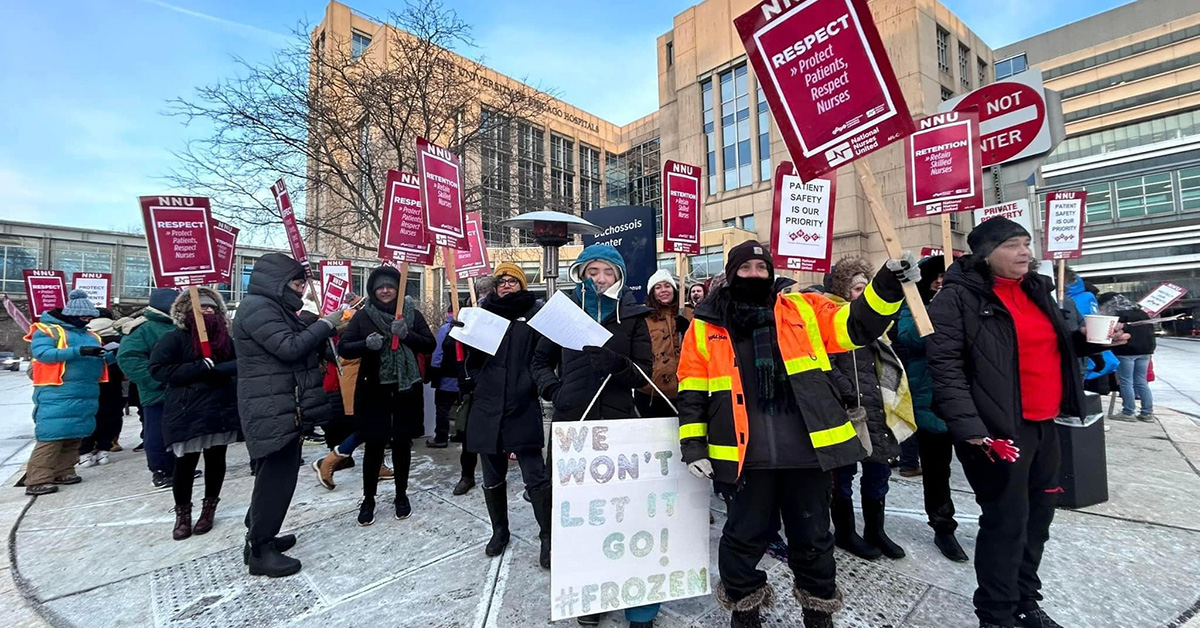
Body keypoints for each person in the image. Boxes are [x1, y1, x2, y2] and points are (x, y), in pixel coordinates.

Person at [678, 241, 915, 628]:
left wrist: (888, 283)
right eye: (745, 267)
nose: (754, 274)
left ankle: (818, 612)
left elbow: (857, 324)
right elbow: (691, 390)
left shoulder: (804, 308)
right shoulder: (706, 324)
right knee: (741, 540)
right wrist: (693, 445)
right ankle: (745, 609)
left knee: (814, 540)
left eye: (761, 266)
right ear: (732, 271)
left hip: (808, 452)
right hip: (745, 457)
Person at [927, 218, 1129, 628]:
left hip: (1045, 422)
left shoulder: (1038, 291)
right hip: (997, 432)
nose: (1025, 252)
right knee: (1006, 520)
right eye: (1013, 245)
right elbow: (945, 369)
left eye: (1026, 243)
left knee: (1040, 515)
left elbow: (1057, 345)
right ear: (985, 254)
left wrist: (1093, 341)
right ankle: (996, 614)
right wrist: (972, 430)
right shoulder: (955, 299)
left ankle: (1024, 600)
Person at [531, 244, 655, 628]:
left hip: (618, 427)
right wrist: (554, 390)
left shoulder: (632, 315)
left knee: (619, 513)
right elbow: (538, 362)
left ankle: (631, 589)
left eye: (608, 272)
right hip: (572, 426)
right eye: (593, 271)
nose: (600, 279)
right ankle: (592, 594)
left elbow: (646, 375)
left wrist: (621, 366)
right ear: (581, 274)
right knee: (580, 516)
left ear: (618, 276)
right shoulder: (564, 313)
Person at [233, 253, 346, 577]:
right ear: (278, 282)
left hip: (283, 404)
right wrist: (326, 323)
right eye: (297, 284)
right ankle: (260, 550)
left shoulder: (276, 309)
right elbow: (290, 348)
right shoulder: (258, 308)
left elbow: (303, 344)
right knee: (276, 481)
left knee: (277, 478)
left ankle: (259, 534)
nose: (301, 291)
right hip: (271, 407)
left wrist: (321, 330)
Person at [462, 263, 550, 567]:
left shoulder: (536, 315)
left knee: (535, 476)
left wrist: (530, 381)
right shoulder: (483, 316)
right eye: (502, 281)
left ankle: (547, 537)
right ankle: (499, 531)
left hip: (522, 402)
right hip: (488, 405)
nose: (507, 285)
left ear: (522, 285)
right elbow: (470, 360)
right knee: (492, 476)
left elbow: (545, 355)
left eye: (513, 280)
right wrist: (476, 375)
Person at [823, 257, 908, 562]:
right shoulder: (832, 319)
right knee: (843, 475)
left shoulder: (878, 325)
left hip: (877, 408)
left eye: (866, 288)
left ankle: (876, 530)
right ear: (844, 291)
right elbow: (827, 364)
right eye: (857, 288)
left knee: (878, 471)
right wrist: (847, 393)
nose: (862, 294)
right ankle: (845, 532)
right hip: (848, 410)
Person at [337, 265, 435, 526]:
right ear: (372, 289)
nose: (385, 290)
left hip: (405, 391)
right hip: (374, 390)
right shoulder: (363, 316)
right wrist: (365, 346)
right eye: (380, 286)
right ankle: (369, 498)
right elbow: (344, 348)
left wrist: (408, 335)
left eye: (390, 285)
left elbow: (430, 344)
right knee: (374, 446)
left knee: (402, 445)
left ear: (399, 289)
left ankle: (401, 495)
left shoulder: (411, 314)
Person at [893, 256, 969, 563]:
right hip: (929, 402)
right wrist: (935, 312)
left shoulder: (968, 303)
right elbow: (908, 338)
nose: (939, 280)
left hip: (968, 403)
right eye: (935, 276)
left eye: (944, 275)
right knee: (937, 471)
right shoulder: (912, 304)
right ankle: (943, 527)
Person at [150, 288, 240, 540]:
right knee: (185, 464)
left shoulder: (224, 339)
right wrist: (197, 368)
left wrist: (217, 370)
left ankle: (208, 510)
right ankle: (183, 515)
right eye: (203, 309)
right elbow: (158, 369)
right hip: (187, 410)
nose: (208, 312)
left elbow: (238, 363)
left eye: (212, 308)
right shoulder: (173, 338)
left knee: (215, 461)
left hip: (219, 409)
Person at [23, 290, 112, 496]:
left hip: (86, 390)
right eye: (84, 317)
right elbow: (43, 354)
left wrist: (109, 356)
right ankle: (37, 479)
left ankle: (64, 471)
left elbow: (97, 359)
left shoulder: (90, 335)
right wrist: (78, 351)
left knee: (75, 434)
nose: (88, 320)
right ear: (72, 314)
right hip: (57, 390)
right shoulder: (47, 331)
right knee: (52, 435)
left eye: (90, 317)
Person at [118, 288, 183, 489]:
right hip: (158, 392)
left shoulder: (180, 326)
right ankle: (161, 470)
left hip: (181, 390)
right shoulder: (143, 329)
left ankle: (178, 468)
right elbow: (128, 358)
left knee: (179, 433)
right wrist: (158, 380)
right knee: (157, 432)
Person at [635, 268, 688, 418]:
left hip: (683, 390)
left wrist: (688, 329)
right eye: (658, 287)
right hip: (651, 391)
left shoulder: (688, 313)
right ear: (652, 292)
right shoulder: (643, 318)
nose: (663, 290)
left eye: (667, 286)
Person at [78, 313, 125, 468]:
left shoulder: (83, 337)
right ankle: (105, 448)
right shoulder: (121, 338)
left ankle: (85, 451)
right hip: (114, 383)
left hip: (89, 383)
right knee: (111, 415)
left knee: (89, 416)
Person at [1100, 292, 1156, 422]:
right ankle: (1147, 413)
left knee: (1126, 382)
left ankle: (1128, 411)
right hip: (1145, 352)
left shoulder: (1118, 316)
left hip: (1126, 352)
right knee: (1141, 382)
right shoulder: (1142, 313)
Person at [1064, 270, 1119, 395]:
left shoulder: (1071, 300)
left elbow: (1084, 325)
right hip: (1080, 356)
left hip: (1077, 356)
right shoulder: (1086, 298)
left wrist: (1096, 352)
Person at [428, 305, 461, 449]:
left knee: (443, 408)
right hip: (464, 377)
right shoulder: (469, 328)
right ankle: (461, 433)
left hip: (447, 377)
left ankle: (441, 437)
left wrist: (434, 372)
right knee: (463, 407)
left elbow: (438, 353)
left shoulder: (445, 329)